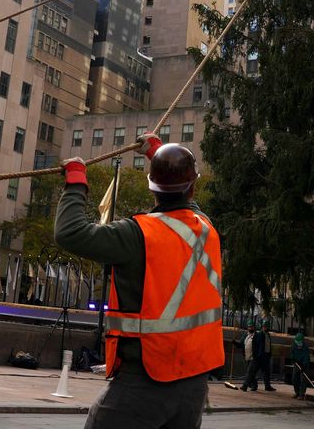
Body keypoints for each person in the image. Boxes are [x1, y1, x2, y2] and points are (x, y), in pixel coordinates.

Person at [55, 132, 222, 429]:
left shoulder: (137, 235)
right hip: (194, 383)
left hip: (146, 380)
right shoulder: (206, 228)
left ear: (152, 187)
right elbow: (183, 199)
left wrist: (76, 180)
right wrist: (157, 151)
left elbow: (71, 233)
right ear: (193, 187)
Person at [239, 320, 274, 392]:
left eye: (266, 327)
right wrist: (258, 355)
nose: (265, 328)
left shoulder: (268, 335)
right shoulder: (259, 334)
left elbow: (268, 345)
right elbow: (257, 346)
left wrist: (269, 354)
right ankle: (246, 385)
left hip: (266, 356)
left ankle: (267, 386)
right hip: (259, 356)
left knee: (266, 372)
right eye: (264, 326)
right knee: (251, 371)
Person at [290, 331, 312, 400]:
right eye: (297, 342)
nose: (298, 343)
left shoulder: (305, 348)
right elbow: (292, 353)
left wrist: (303, 366)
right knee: (294, 378)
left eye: (299, 342)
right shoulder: (294, 345)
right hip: (297, 363)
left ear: (302, 341)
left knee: (303, 379)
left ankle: (302, 394)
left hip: (304, 365)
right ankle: (297, 392)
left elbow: (306, 358)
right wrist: (293, 359)